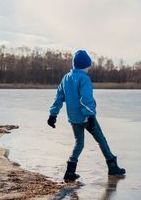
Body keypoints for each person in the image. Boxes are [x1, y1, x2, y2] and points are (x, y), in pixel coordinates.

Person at [47, 50, 126, 182]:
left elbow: (59, 97)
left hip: (73, 118)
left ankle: (70, 171)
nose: (89, 69)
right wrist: (90, 116)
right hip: (86, 117)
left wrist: (53, 114)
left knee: (79, 143)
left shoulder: (66, 78)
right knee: (101, 139)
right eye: (88, 66)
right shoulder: (84, 78)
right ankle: (112, 166)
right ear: (84, 65)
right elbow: (86, 99)